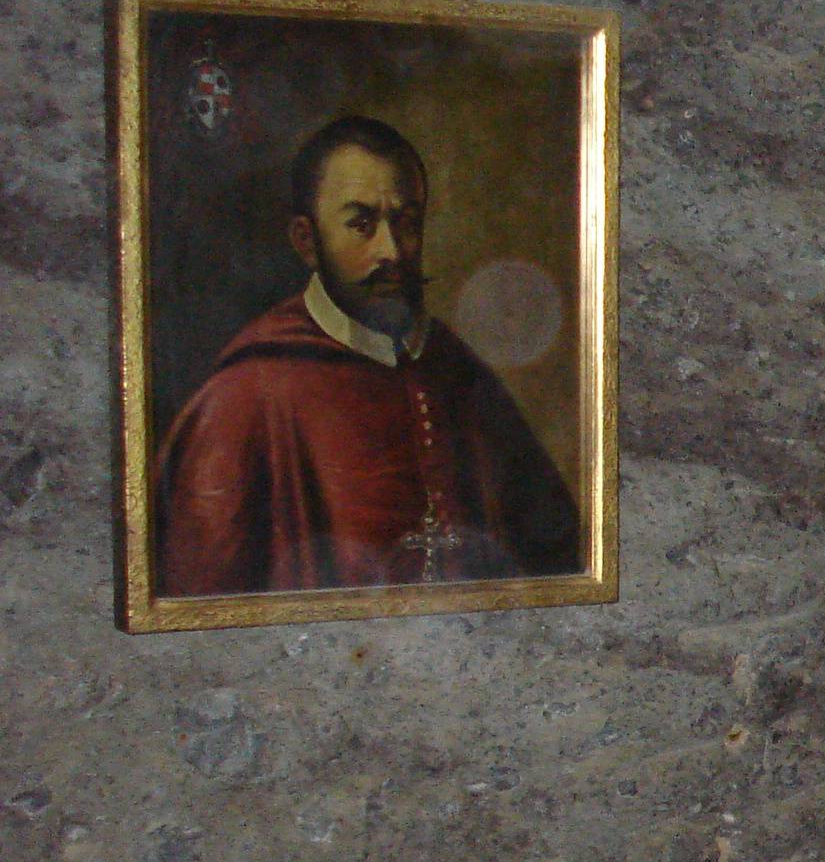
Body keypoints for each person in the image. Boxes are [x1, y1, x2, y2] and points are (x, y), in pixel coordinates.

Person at [155, 114, 580, 597]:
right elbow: (201, 592)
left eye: (406, 223)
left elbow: (558, 557)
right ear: (306, 241)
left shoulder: (456, 370)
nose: (391, 251)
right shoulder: (244, 396)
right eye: (362, 225)